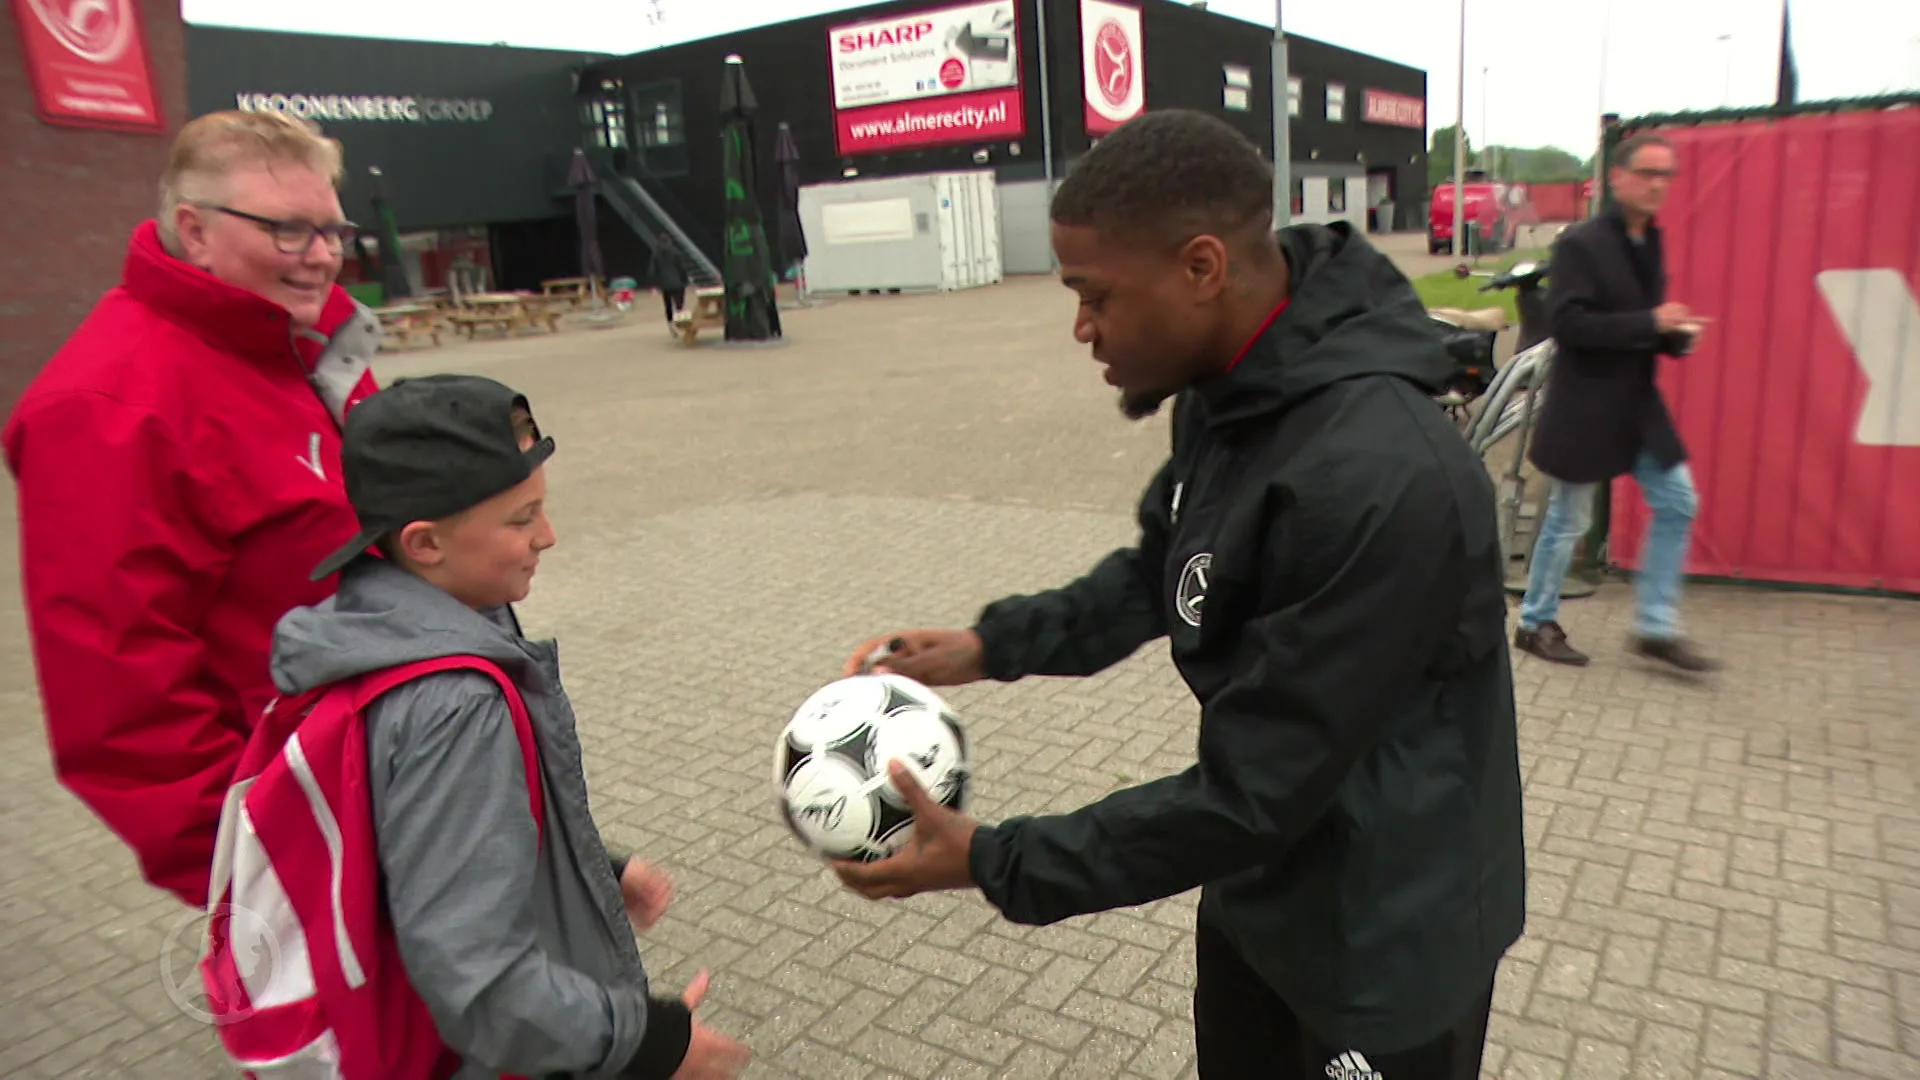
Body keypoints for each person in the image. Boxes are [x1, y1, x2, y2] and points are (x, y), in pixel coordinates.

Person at [833, 110, 1525, 1080]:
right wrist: (988, 647)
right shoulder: (1224, 388)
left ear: (1203, 268)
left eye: (1094, 294)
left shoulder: (1382, 477)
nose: (1080, 328)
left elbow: (1254, 788)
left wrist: (994, 859)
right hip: (1261, 898)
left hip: (1386, 941)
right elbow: (1163, 572)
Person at [271, 374, 751, 1080]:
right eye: (522, 518)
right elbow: (481, 982)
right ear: (425, 542)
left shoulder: (400, 620)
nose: (548, 536)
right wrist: (648, 1043)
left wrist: (599, 870)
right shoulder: (452, 700)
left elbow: (432, 836)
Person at [2, 109, 382, 908]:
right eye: (288, 231)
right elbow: (122, 706)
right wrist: (263, 878)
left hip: (393, 771)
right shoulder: (108, 409)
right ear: (193, 230)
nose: (321, 257)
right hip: (308, 832)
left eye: (332, 230)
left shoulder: (309, 353)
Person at [1513, 132, 1720, 672]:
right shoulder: (1581, 243)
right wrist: (1651, 322)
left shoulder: (1650, 241)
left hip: (1636, 408)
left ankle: (1655, 627)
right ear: (1618, 178)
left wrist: (1676, 336)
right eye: (1648, 173)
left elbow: (1640, 323)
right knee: (1569, 519)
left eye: (1666, 175)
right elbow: (1569, 324)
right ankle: (1535, 622)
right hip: (1584, 407)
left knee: (1678, 502)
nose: (1658, 185)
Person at [650, 234, 688, 328]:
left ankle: (670, 323)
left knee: (668, 304)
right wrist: (685, 280)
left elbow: (653, 270)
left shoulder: (656, 254)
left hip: (665, 284)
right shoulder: (675, 252)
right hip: (677, 282)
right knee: (679, 303)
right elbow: (681, 268)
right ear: (669, 241)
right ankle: (681, 322)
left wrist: (655, 284)